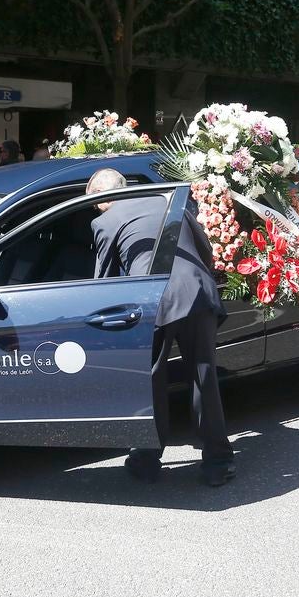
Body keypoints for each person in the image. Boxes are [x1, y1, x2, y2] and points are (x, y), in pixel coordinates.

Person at [86, 168, 234, 486]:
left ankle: (147, 459)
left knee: (150, 383)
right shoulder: (166, 203)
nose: (94, 207)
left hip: (152, 303)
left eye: (92, 201)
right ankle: (218, 463)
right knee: (204, 378)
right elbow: (205, 247)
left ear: (100, 195)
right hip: (196, 293)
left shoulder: (104, 222)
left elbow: (103, 279)